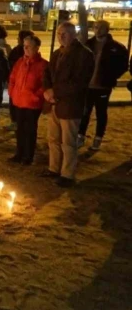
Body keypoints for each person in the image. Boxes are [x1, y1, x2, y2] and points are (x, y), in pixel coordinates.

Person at [42, 22, 94, 187]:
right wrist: (47, 90)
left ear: (74, 34)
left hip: (70, 105)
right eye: (58, 33)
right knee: (53, 139)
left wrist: (55, 92)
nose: (61, 37)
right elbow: (48, 74)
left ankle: (67, 174)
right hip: (54, 104)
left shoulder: (83, 55)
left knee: (68, 142)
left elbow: (79, 82)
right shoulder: (57, 53)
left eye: (64, 33)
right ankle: (54, 168)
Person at [78, 20, 128, 152]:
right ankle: (80, 135)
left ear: (107, 29)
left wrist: (111, 76)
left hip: (103, 86)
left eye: (101, 28)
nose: (97, 30)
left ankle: (98, 138)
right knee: (84, 112)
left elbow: (123, 65)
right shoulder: (88, 45)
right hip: (88, 86)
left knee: (101, 113)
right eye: (95, 27)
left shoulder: (116, 47)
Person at [8, 35, 48, 165]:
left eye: (28, 46)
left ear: (36, 48)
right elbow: (12, 78)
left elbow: (45, 85)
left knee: (30, 130)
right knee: (19, 129)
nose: (25, 49)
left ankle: (28, 156)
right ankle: (19, 153)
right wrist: (12, 93)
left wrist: (36, 95)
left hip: (32, 104)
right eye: (24, 46)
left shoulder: (43, 65)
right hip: (19, 101)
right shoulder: (20, 62)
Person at [5, 30, 35, 132]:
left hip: (22, 85)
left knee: (17, 106)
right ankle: (17, 123)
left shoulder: (19, 51)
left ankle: (17, 123)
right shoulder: (17, 51)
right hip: (17, 84)